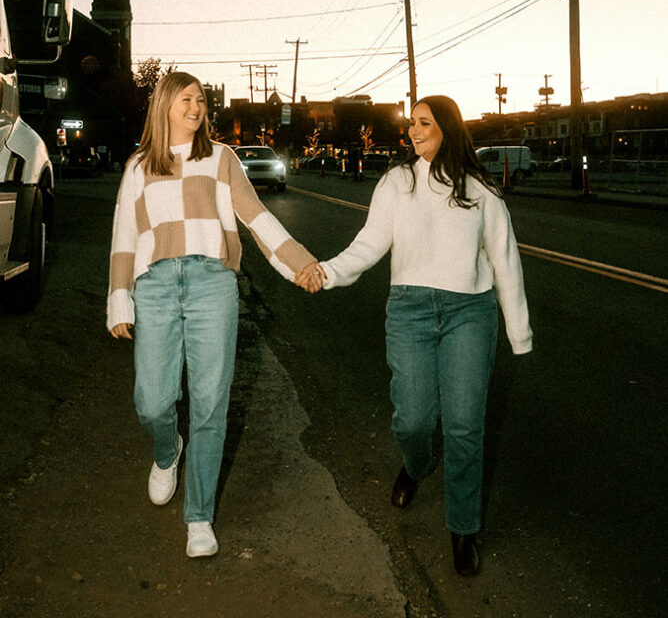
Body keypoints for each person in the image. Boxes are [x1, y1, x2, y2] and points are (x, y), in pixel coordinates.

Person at [296, 95, 532, 577]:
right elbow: (369, 243)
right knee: (413, 419)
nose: (414, 131)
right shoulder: (396, 183)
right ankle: (416, 462)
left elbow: (505, 260)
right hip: (410, 311)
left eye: (424, 123)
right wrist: (328, 270)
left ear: (447, 127)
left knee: (466, 427)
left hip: (470, 311)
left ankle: (463, 530)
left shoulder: (480, 188)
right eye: (411, 124)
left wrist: (518, 330)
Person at [107, 71, 316, 558]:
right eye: (186, 99)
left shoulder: (221, 158)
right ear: (164, 106)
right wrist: (120, 297)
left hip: (211, 284)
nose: (196, 107)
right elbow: (122, 238)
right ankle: (167, 450)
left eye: (201, 100)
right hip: (156, 286)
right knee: (153, 403)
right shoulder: (139, 165)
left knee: (209, 406)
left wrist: (299, 262)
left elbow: (255, 214)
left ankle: (199, 517)